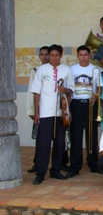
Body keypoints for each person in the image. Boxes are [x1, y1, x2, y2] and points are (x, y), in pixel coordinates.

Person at [30, 44, 75, 184]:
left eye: (57, 55)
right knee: (43, 143)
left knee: (59, 143)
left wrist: (65, 89)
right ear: (49, 55)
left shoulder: (66, 69)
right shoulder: (41, 70)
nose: (54, 58)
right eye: (52, 55)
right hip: (45, 112)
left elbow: (72, 90)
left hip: (61, 112)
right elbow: (36, 92)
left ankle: (55, 169)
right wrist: (36, 112)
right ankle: (40, 171)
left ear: (61, 55)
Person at [66, 45, 103, 178]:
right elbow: (69, 90)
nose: (83, 57)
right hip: (76, 104)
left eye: (85, 55)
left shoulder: (95, 69)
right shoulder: (72, 70)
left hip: (90, 104)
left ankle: (93, 164)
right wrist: (68, 109)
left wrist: (96, 95)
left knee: (91, 135)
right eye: (80, 55)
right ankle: (75, 166)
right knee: (76, 135)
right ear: (77, 56)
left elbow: (100, 88)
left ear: (89, 56)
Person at [27, 46, 50, 174]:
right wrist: (32, 111)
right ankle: (38, 163)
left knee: (59, 139)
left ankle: (62, 162)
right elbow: (32, 91)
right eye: (42, 54)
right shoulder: (35, 71)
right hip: (40, 110)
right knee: (40, 138)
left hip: (54, 110)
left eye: (47, 54)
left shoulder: (57, 70)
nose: (45, 57)